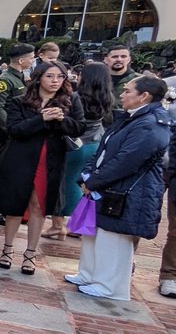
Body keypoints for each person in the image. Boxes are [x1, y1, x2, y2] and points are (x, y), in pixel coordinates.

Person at [69, 76, 171, 300]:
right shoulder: (131, 118)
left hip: (128, 190)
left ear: (143, 96)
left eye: (127, 91)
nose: (122, 94)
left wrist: (94, 181)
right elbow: (103, 149)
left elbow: (126, 161)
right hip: (106, 186)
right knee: (96, 233)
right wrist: (87, 175)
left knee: (113, 239)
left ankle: (109, 286)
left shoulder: (152, 123)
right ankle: (89, 274)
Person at [0, 60, 84, 274]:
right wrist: (41, 119)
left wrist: (62, 120)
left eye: (60, 77)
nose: (55, 81)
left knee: (39, 205)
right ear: (39, 78)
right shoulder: (20, 101)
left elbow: (80, 127)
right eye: (50, 76)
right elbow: (14, 129)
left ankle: (30, 253)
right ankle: (7, 249)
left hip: (51, 160)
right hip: (21, 159)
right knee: (15, 205)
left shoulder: (71, 100)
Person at [46, 62, 114, 240]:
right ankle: (76, 224)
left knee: (61, 184)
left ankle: (58, 225)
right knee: (79, 183)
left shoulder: (75, 97)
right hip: (94, 143)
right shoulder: (107, 98)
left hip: (73, 144)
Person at [0, 43, 33, 225]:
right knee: (1, 170)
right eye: (30, 57)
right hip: (9, 133)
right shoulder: (5, 80)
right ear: (21, 60)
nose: (32, 60)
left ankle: (3, 207)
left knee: (12, 172)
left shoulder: (20, 78)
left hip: (20, 131)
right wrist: (12, 128)